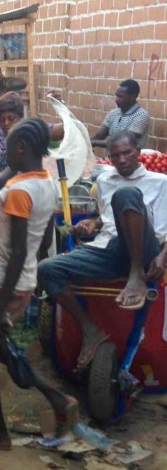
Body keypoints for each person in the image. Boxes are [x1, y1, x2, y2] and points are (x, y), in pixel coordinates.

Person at [0, 119, 77, 449]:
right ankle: (54, 402)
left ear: (21, 149)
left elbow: (19, 250)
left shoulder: (20, 192)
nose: (6, 154)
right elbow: (44, 235)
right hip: (17, 280)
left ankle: (0, 431)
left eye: (10, 147)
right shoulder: (43, 182)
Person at [38, 130, 167, 367]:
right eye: (115, 155)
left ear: (138, 152)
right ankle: (90, 331)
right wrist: (93, 222)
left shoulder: (161, 183)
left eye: (127, 153)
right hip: (109, 248)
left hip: (146, 252)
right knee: (46, 269)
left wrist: (162, 256)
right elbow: (107, 217)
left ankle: (135, 273)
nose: (122, 160)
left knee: (126, 195)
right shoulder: (104, 181)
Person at [91, 80, 150, 150]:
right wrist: (86, 144)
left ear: (133, 97)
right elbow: (98, 136)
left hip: (132, 159)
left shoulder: (141, 115)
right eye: (116, 95)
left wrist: (93, 143)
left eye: (120, 96)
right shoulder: (113, 113)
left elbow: (123, 141)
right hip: (112, 159)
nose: (116, 99)